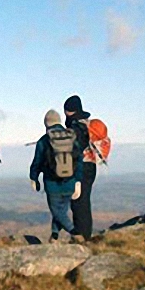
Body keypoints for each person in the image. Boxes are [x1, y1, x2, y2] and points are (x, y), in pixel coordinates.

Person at [29, 109, 85, 243]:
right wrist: (78, 181)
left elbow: (37, 161)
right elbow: (79, 159)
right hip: (70, 182)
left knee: (57, 212)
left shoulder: (44, 140)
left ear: (46, 124)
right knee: (62, 211)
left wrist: (34, 177)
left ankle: (75, 233)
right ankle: (54, 236)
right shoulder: (71, 137)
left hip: (52, 183)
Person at [64, 95, 95, 241]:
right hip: (91, 165)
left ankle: (83, 237)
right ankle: (84, 235)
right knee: (82, 201)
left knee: (79, 203)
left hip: (81, 167)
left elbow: (76, 148)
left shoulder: (76, 126)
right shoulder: (85, 123)